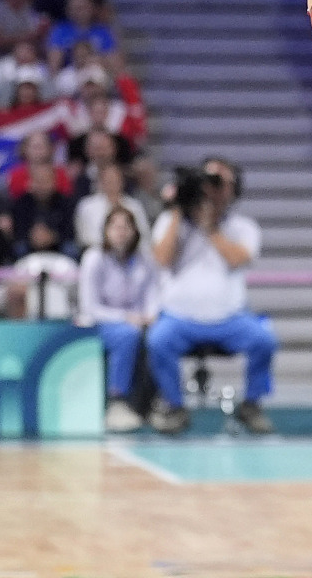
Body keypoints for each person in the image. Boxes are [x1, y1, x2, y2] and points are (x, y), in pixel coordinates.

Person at [146, 157, 276, 434]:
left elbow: (237, 259)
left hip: (229, 318)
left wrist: (210, 228)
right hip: (179, 318)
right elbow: (162, 258)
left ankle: (251, 404)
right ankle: (175, 405)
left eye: (220, 183)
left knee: (264, 339)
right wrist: (180, 209)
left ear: (234, 189)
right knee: (158, 339)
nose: (211, 190)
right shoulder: (171, 221)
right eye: (207, 182)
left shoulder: (243, 227)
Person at [77, 207, 158, 432]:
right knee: (127, 335)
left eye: (126, 227)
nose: (121, 232)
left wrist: (151, 315)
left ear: (134, 231)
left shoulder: (144, 259)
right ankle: (117, 400)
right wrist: (126, 317)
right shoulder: (94, 258)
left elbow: (152, 294)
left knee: (161, 336)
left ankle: (154, 404)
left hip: (136, 321)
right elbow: (89, 307)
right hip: (99, 324)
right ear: (105, 230)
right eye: (115, 226)